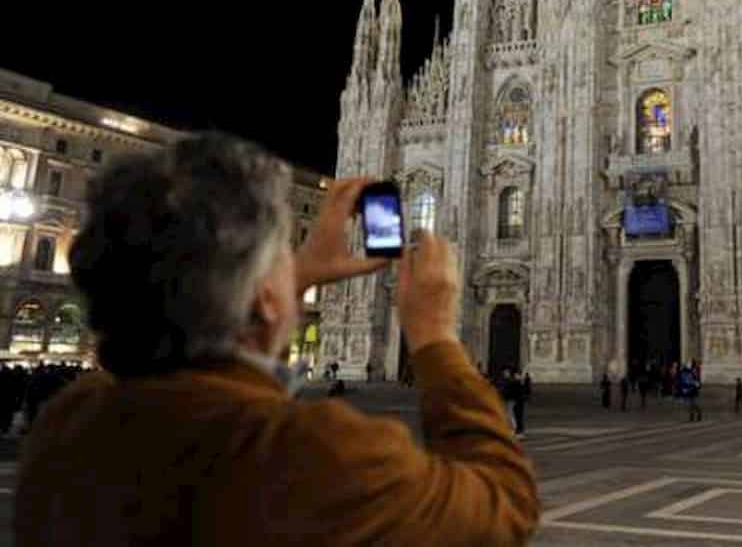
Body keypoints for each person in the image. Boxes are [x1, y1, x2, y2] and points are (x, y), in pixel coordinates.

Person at [14, 134, 539, 545]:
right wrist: (434, 336)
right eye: (285, 253)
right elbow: (504, 504)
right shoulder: (317, 453)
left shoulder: (67, 432)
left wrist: (285, 280)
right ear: (267, 300)